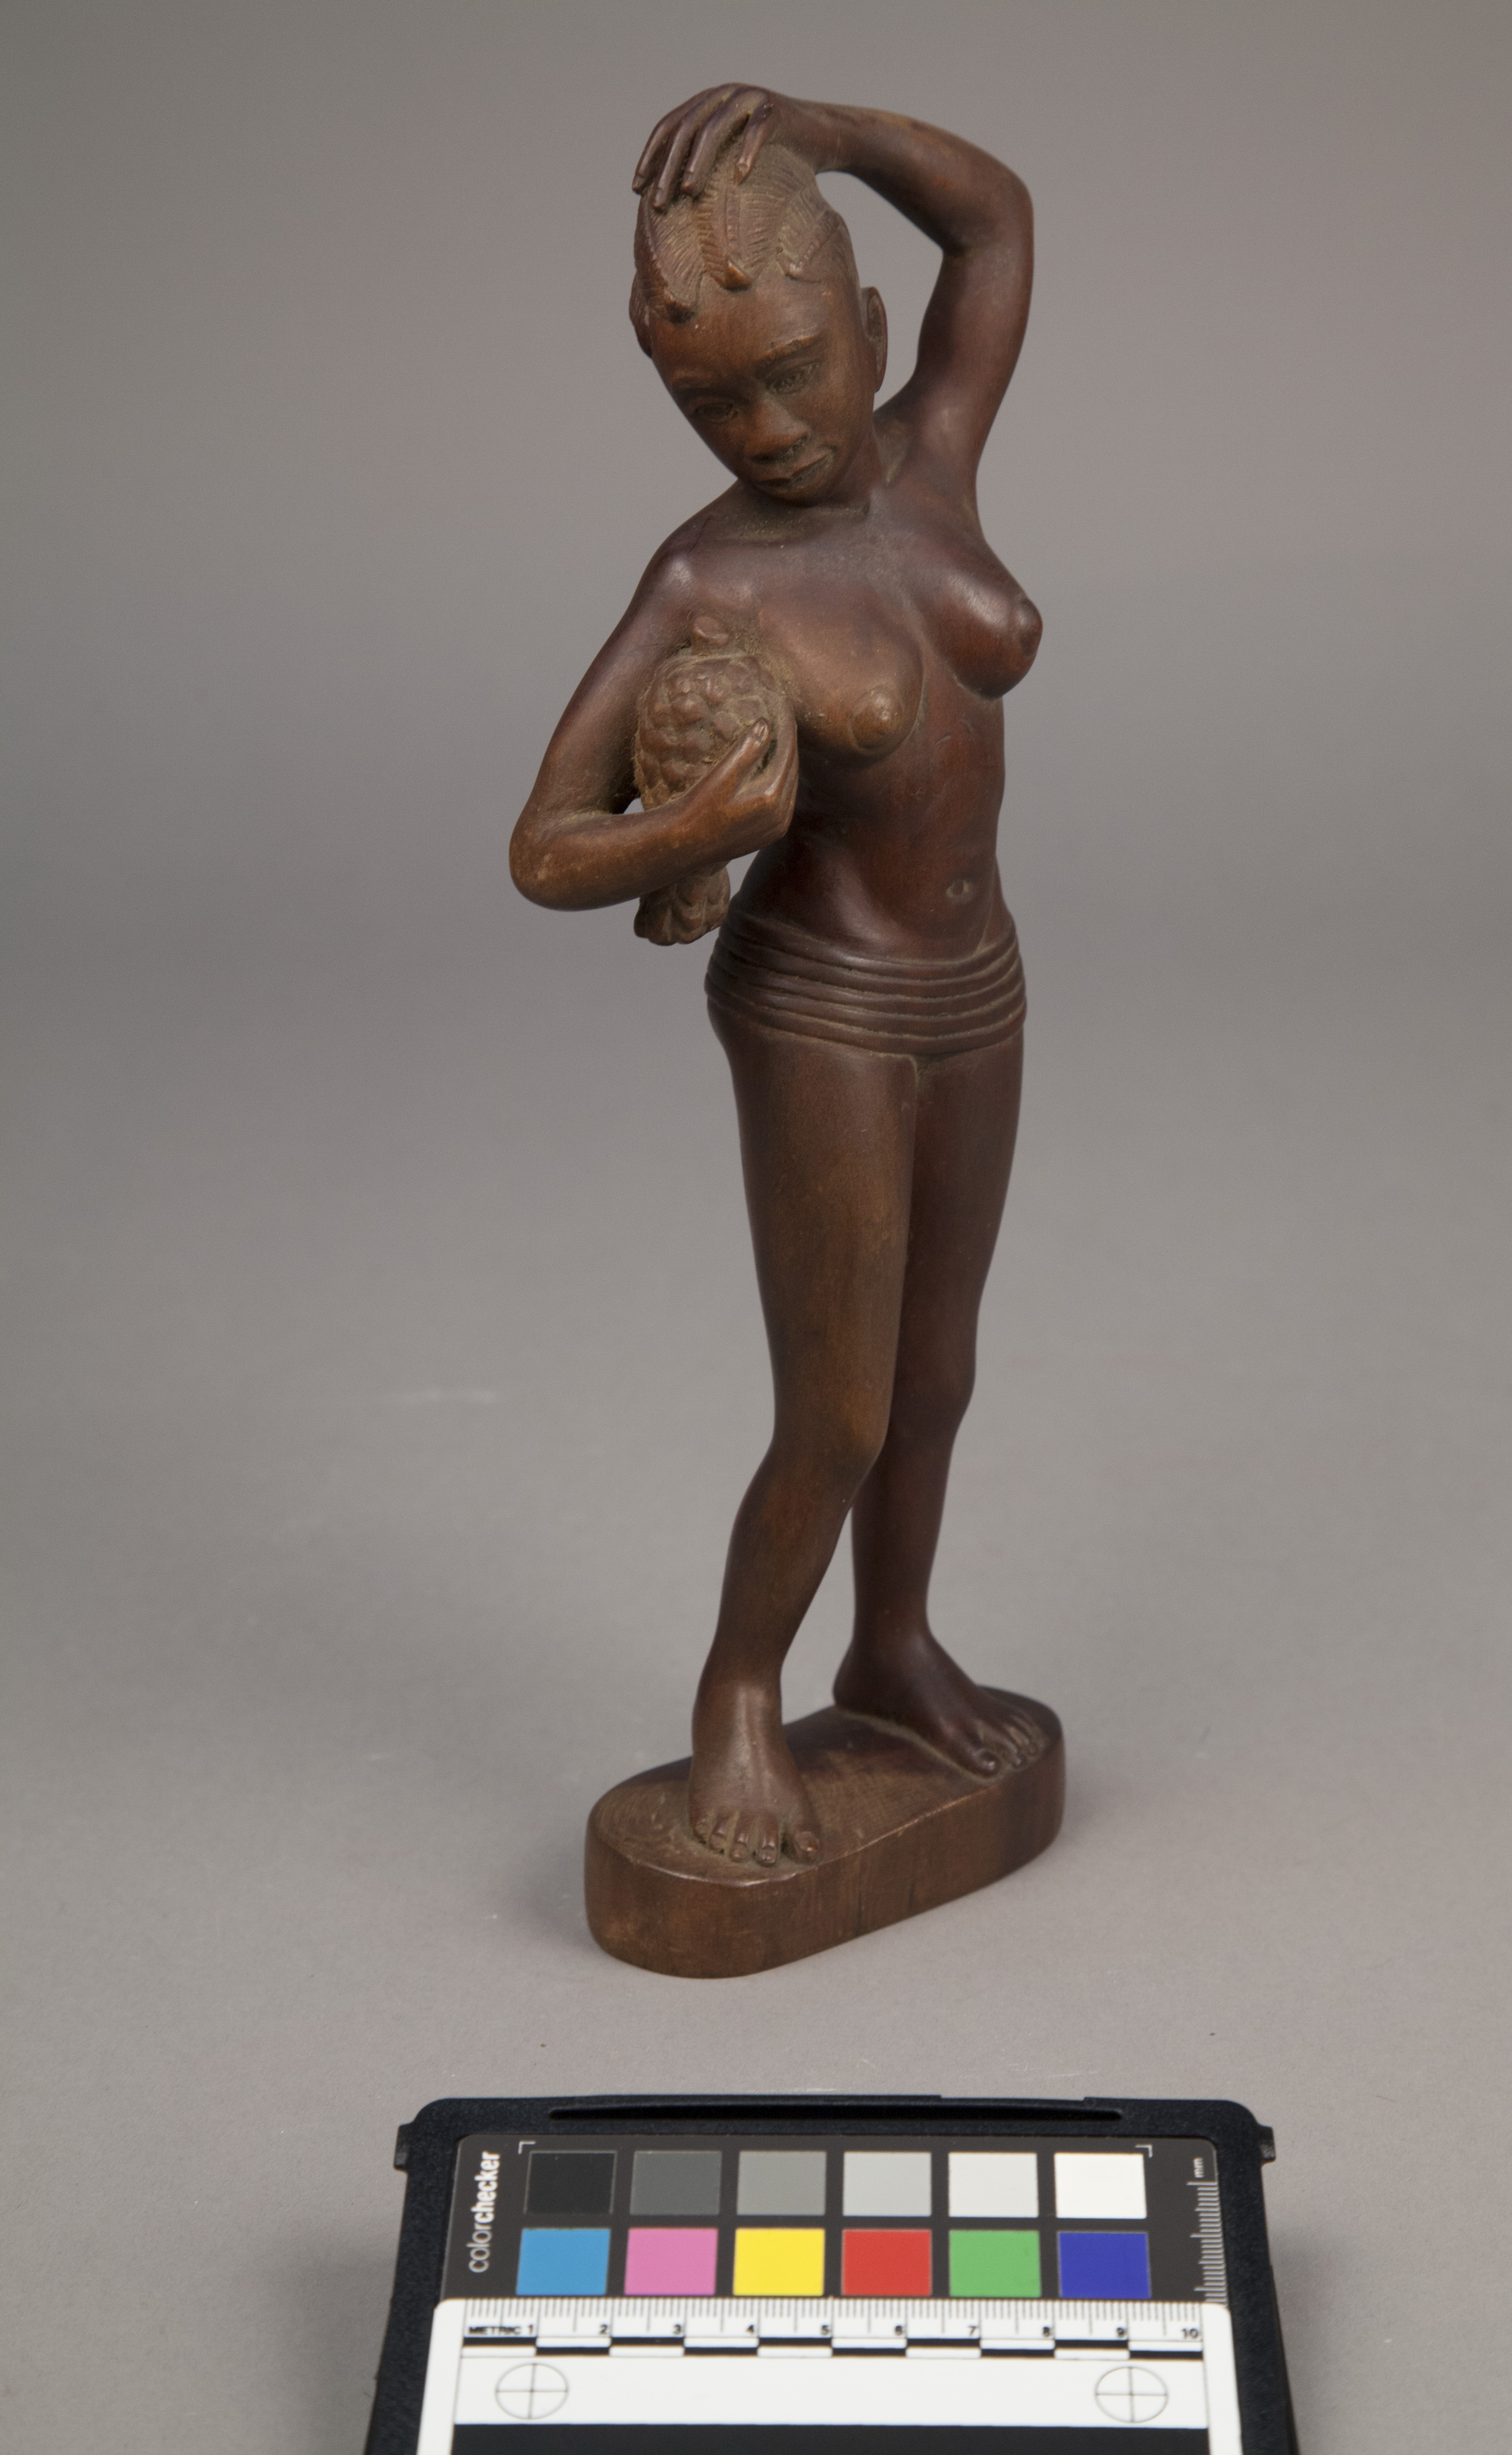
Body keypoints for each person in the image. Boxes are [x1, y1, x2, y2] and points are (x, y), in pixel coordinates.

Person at [511, 87, 1044, 1871]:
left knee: (940, 1374)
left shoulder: (935, 454)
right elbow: (543, 843)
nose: (770, 429)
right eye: (714, 404)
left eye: (798, 374)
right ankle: (741, 1693)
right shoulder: (702, 579)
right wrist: (689, 834)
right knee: (840, 1407)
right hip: (823, 1006)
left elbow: (996, 221)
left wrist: (821, 127)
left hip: (976, 982)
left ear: (872, 330)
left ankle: (891, 1652)